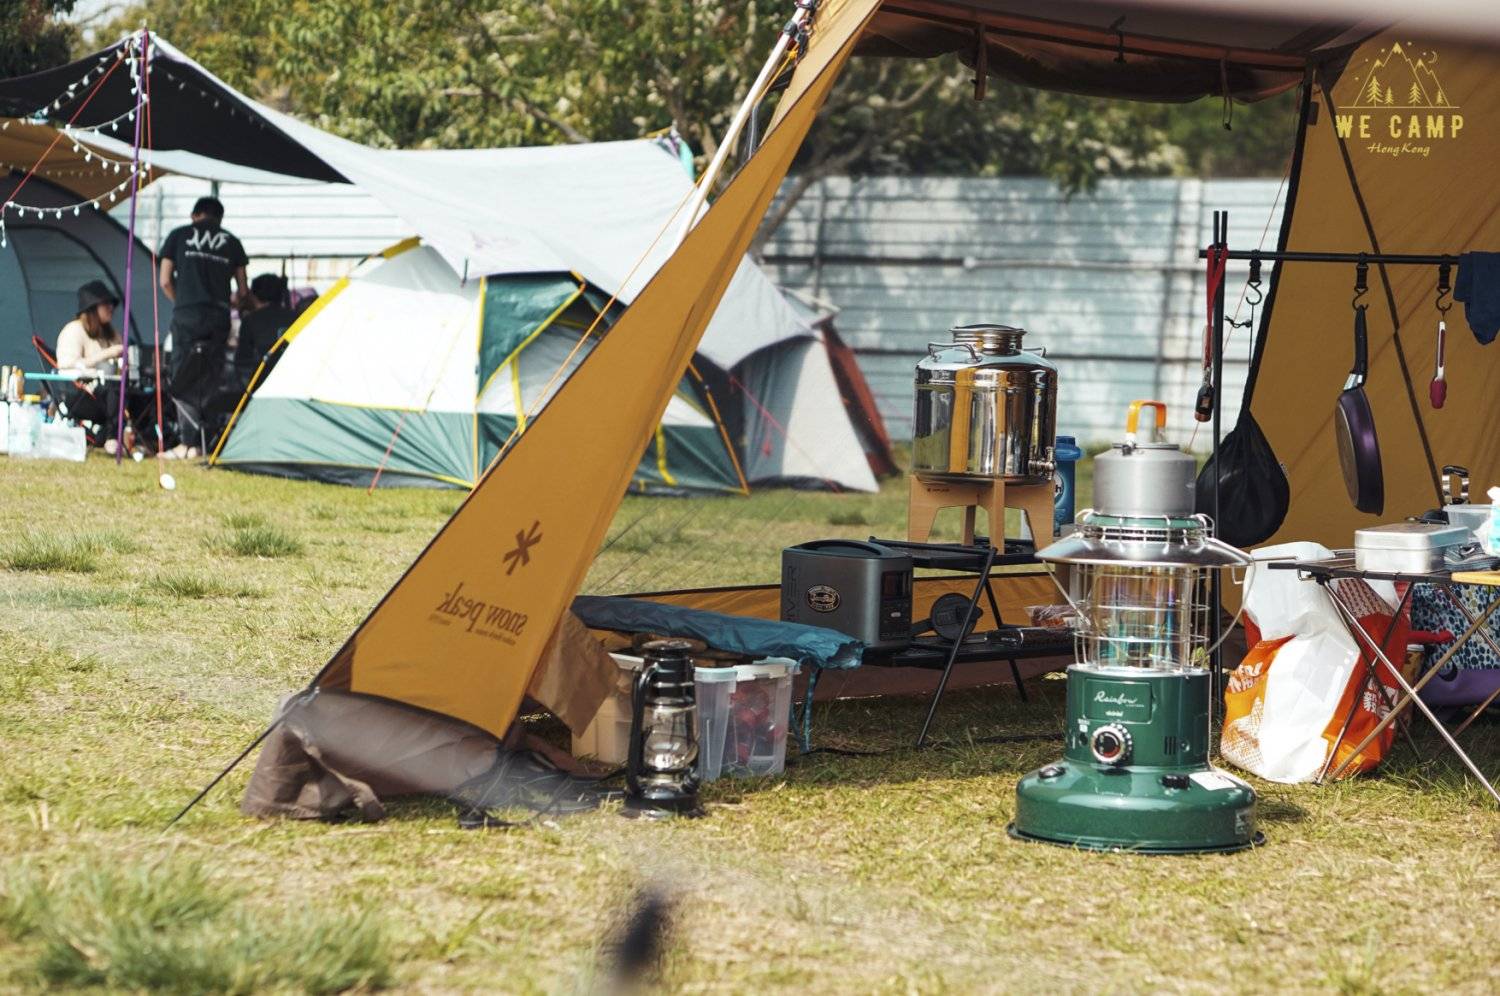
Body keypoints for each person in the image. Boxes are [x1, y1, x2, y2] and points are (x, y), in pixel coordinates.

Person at [159, 195, 248, 457]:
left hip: (187, 316)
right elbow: (242, 291)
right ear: (219, 218)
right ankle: (207, 442)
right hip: (218, 317)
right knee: (212, 376)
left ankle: (187, 443)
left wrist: (183, 302)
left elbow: (165, 280)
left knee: (184, 375)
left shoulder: (178, 235)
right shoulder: (232, 242)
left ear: (194, 215)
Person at [54, 281, 134, 453]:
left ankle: (149, 438)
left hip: (111, 396)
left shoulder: (111, 334)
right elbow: (65, 365)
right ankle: (112, 438)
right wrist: (107, 354)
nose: (111, 308)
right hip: (81, 395)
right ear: (92, 307)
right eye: (106, 304)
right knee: (114, 388)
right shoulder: (73, 330)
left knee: (137, 389)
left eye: (112, 304)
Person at [232, 273, 296, 389]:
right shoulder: (296, 317)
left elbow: (242, 361)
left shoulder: (250, 320)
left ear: (254, 296)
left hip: (262, 385)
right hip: (294, 381)